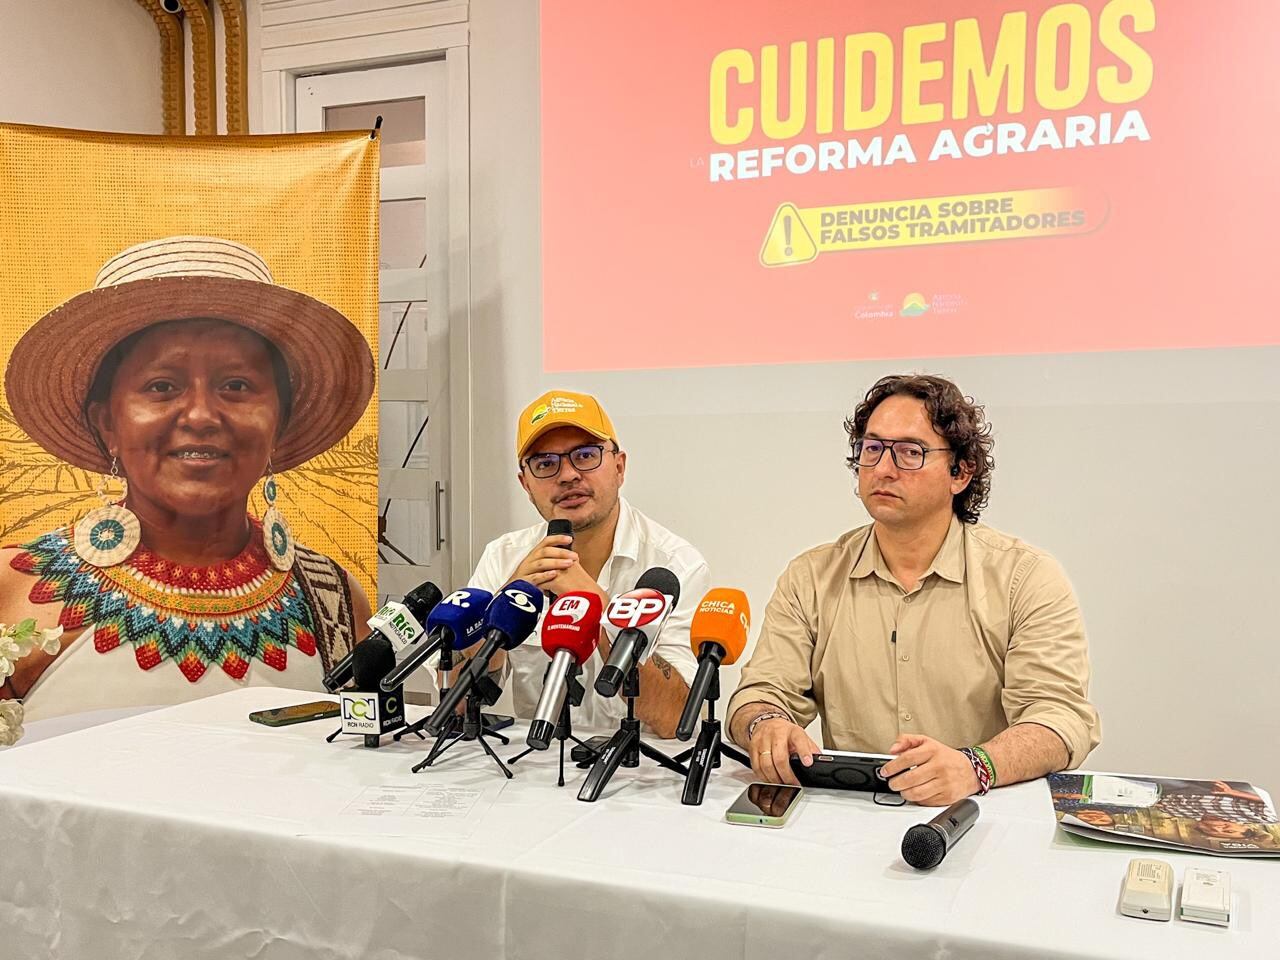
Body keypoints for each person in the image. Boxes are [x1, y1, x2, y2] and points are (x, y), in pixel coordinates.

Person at [0, 236, 376, 721]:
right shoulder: (13, 588)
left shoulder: (335, 601)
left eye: (236, 385)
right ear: (107, 424)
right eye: (162, 386)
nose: (200, 415)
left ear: (278, 426)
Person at [727, 374, 1100, 805]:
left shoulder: (1025, 577)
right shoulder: (811, 576)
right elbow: (759, 694)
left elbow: (1059, 718)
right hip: (846, 818)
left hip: (979, 815)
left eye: (909, 452)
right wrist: (766, 724)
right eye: (872, 449)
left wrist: (973, 766)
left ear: (960, 472)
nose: (883, 468)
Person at [465, 390, 709, 738]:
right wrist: (504, 609)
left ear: (619, 467)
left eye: (585, 455)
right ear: (526, 484)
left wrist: (601, 610)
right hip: (537, 767)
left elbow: (677, 718)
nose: (567, 475)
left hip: (643, 773)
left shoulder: (677, 566)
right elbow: (457, 705)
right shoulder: (504, 557)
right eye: (546, 463)